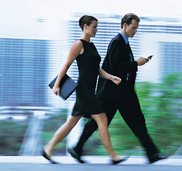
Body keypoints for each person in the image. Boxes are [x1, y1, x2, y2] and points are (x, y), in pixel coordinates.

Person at [67, 13, 168, 164]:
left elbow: (121, 66)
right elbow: (116, 67)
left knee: (136, 121)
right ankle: (77, 148)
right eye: (133, 28)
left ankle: (152, 153)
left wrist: (137, 64)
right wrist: (136, 63)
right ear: (124, 25)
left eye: (136, 28)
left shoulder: (124, 42)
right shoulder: (116, 42)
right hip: (112, 93)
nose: (135, 31)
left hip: (123, 92)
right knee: (102, 122)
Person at [42, 15, 126, 165]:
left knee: (71, 123)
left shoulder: (91, 46)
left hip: (88, 91)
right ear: (85, 27)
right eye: (94, 26)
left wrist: (111, 77)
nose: (96, 29)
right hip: (84, 91)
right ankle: (113, 156)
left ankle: (48, 148)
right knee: (103, 119)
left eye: (96, 26)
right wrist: (57, 85)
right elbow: (66, 65)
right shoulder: (78, 45)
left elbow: (96, 69)